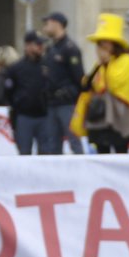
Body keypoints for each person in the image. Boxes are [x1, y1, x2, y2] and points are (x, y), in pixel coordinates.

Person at [70, 14, 129, 154]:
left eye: (105, 43)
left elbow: (115, 83)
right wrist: (98, 66)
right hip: (100, 114)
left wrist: (106, 64)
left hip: (119, 113)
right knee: (101, 150)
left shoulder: (125, 60)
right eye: (99, 44)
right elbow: (87, 85)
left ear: (114, 44)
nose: (101, 47)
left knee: (120, 150)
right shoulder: (100, 64)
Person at [41, 12, 86, 154]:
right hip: (52, 103)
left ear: (57, 24)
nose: (45, 27)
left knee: (74, 141)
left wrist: (70, 94)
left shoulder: (70, 48)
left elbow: (79, 77)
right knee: (52, 144)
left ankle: (82, 171)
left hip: (67, 103)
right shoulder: (51, 48)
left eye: (47, 23)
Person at [7, 31, 58, 155]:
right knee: (24, 152)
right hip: (24, 116)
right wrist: (18, 103)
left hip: (44, 116)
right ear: (28, 46)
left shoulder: (48, 65)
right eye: (38, 44)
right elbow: (8, 91)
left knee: (46, 153)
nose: (41, 47)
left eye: (42, 44)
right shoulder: (16, 68)